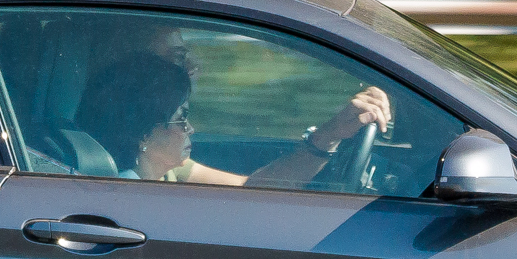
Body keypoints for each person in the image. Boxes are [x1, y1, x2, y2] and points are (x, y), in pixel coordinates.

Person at [75, 51, 393, 187]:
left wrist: (330, 134)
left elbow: (252, 187)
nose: (191, 129)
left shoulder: (165, 174)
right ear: (142, 133)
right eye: (180, 119)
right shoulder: (131, 192)